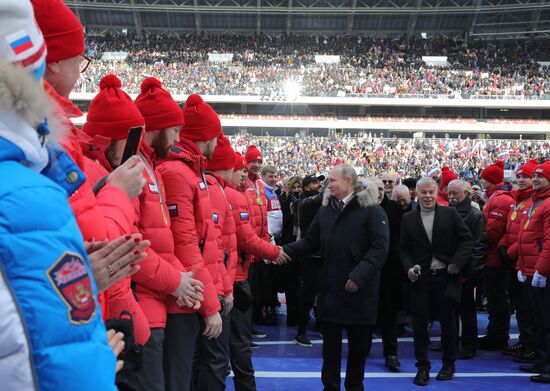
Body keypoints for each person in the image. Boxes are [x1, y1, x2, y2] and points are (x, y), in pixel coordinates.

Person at [0, 2, 117, 388]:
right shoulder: (28, 194)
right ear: (41, 63)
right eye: (78, 59)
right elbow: (64, 364)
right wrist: (97, 359)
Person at [136, 90, 219, 391]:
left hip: (176, 290)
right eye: (174, 129)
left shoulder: (162, 170)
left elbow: (181, 242)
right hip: (165, 298)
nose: (178, 135)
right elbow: (182, 244)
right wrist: (202, 296)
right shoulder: (169, 172)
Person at [284, 164, 389, 391]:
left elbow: (380, 248)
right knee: (330, 349)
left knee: (358, 349)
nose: (327, 185)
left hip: (360, 291)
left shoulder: (372, 209)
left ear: (349, 180)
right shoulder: (325, 210)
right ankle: (329, 387)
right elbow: (310, 242)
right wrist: (282, 251)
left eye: (332, 180)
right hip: (332, 289)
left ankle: (354, 387)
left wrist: (358, 276)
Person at [399, 177, 473, 386]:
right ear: (417, 194)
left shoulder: (450, 214)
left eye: (431, 192)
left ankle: (449, 365)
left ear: (437, 192)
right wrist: (408, 269)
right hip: (420, 280)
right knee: (420, 327)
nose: (428, 196)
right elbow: (403, 249)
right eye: (424, 192)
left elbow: (467, 240)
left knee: (449, 326)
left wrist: (457, 262)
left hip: (445, 278)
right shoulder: (408, 219)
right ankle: (422, 367)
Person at [225, 152, 288, 391]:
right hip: (235, 275)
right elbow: (245, 236)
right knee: (237, 342)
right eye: (240, 169)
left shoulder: (253, 189)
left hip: (239, 268)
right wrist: (271, 252)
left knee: (224, 345)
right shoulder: (235, 195)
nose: (245, 173)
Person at [511, 160, 550, 383]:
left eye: (540, 177)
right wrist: (521, 267)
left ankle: (548, 366)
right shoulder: (537, 201)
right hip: (530, 268)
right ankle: (541, 361)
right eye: (533, 176)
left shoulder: (547, 204)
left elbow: (548, 240)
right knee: (538, 320)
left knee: (546, 322)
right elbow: (526, 236)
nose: (534, 179)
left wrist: (542, 271)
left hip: (541, 271)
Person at [499, 160, 539, 362]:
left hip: (524, 261)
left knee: (530, 307)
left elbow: (528, 233)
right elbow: (510, 228)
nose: (522, 180)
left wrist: (510, 251)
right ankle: (525, 341)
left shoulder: (534, 201)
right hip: (515, 262)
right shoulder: (518, 200)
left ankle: (532, 346)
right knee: (520, 306)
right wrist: (503, 245)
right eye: (520, 176)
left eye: (526, 176)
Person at [367, 177, 405, 371]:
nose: (380, 191)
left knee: (388, 315)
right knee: (364, 313)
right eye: (376, 189)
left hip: (389, 270)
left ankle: (391, 353)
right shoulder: (360, 208)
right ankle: (362, 349)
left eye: (382, 188)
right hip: (366, 270)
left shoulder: (396, 209)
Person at [447, 179, 487, 359]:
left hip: (465, 272)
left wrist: (473, 272)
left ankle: (469, 345)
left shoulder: (474, 215)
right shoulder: (446, 212)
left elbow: (478, 245)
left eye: (455, 193)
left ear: (465, 193)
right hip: (448, 269)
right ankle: (451, 342)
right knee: (449, 309)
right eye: (450, 193)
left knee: (467, 310)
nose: (452, 196)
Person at [479, 160, 515, 351]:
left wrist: (478, 242)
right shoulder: (497, 197)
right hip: (493, 255)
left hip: (494, 257)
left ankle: (498, 336)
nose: (481, 181)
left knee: (497, 298)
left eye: (484, 178)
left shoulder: (500, 199)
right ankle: (496, 334)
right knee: (495, 298)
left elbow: (491, 231)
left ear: (491, 180)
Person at [294, 174, 325, 347]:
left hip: (322, 253)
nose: (319, 184)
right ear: (306, 187)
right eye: (314, 182)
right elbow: (319, 199)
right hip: (310, 254)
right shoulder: (303, 203)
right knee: (308, 294)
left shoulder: (319, 201)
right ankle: (301, 332)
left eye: (320, 182)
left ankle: (320, 324)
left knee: (321, 293)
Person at [243, 145, 271, 332]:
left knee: (258, 288)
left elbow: (265, 215)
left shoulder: (261, 185)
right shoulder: (242, 182)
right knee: (248, 289)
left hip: (260, 245)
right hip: (248, 245)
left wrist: (266, 241)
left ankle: (253, 324)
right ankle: (246, 327)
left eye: (259, 162)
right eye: (254, 161)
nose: (257, 165)